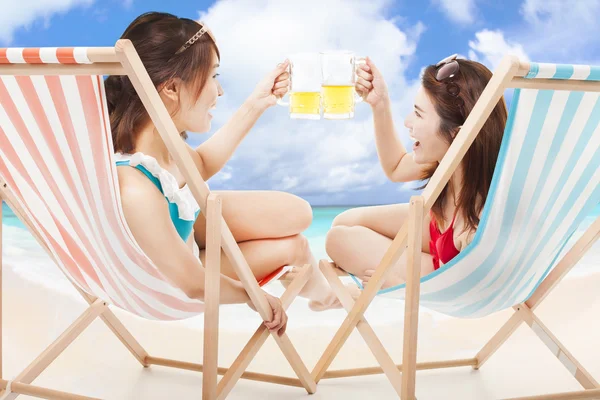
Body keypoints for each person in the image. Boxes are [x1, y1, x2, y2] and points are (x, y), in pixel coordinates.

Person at [105, 12, 323, 335]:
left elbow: (202, 164)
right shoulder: (136, 189)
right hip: (181, 280)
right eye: (212, 77)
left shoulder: (159, 154)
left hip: (187, 241)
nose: (219, 92)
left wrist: (257, 103)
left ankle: (324, 294)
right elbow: (192, 284)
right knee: (295, 248)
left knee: (299, 215)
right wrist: (253, 294)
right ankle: (329, 297)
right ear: (171, 88)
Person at [324, 54, 508, 290]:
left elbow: (475, 290)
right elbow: (397, 167)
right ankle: (337, 290)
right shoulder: (453, 156)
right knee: (344, 221)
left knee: (339, 240)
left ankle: (335, 293)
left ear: (458, 133)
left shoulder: (477, 226)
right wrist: (380, 104)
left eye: (419, 114)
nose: (407, 122)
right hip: (439, 231)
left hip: (446, 269)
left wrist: (398, 284)